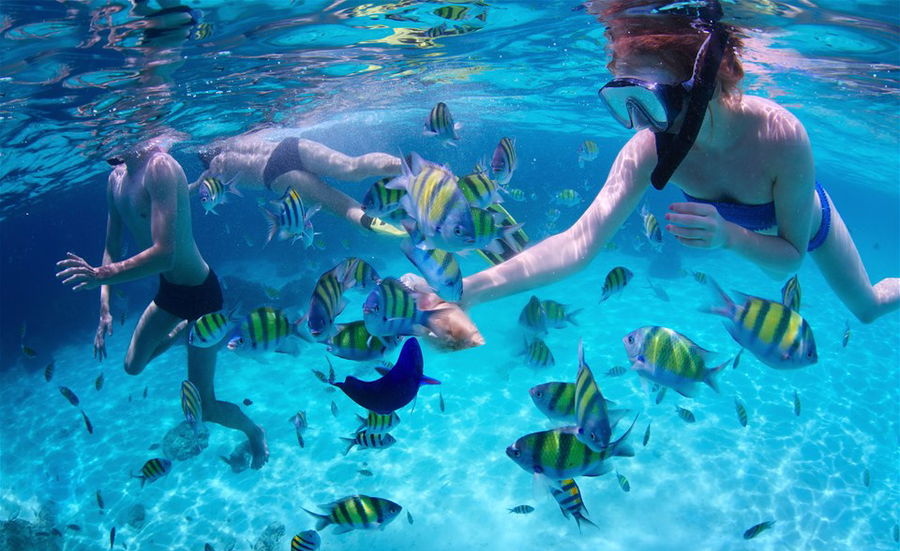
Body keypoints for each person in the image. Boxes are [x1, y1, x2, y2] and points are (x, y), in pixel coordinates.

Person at [411, 0, 898, 349]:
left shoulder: (780, 136)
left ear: (707, 80)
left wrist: (729, 237)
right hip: (754, 235)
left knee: (869, 308)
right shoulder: (649, 147)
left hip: (807, 228)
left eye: (652, 98)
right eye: (625, 100)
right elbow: (577, 244)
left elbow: (787, 261)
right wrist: (463, 291)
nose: (640, 121)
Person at [56, 139, 268, 469]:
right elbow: (111, 246)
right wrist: (104, 309)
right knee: (132, 365)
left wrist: (101, 275)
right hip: (170, 292)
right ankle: (185, 333)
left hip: (201, 295)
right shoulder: (114, 181)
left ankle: (255, 433)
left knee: (205, 407)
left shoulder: (161, 168)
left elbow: (165, 254)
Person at [191, 132, 406, 236]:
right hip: (289, 146)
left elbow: (191, 189)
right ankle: (409, 166)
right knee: (353, 166)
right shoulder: (236, 137)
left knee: (340, 205)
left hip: (275, 175)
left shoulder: (213, 168)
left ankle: (379, 226)